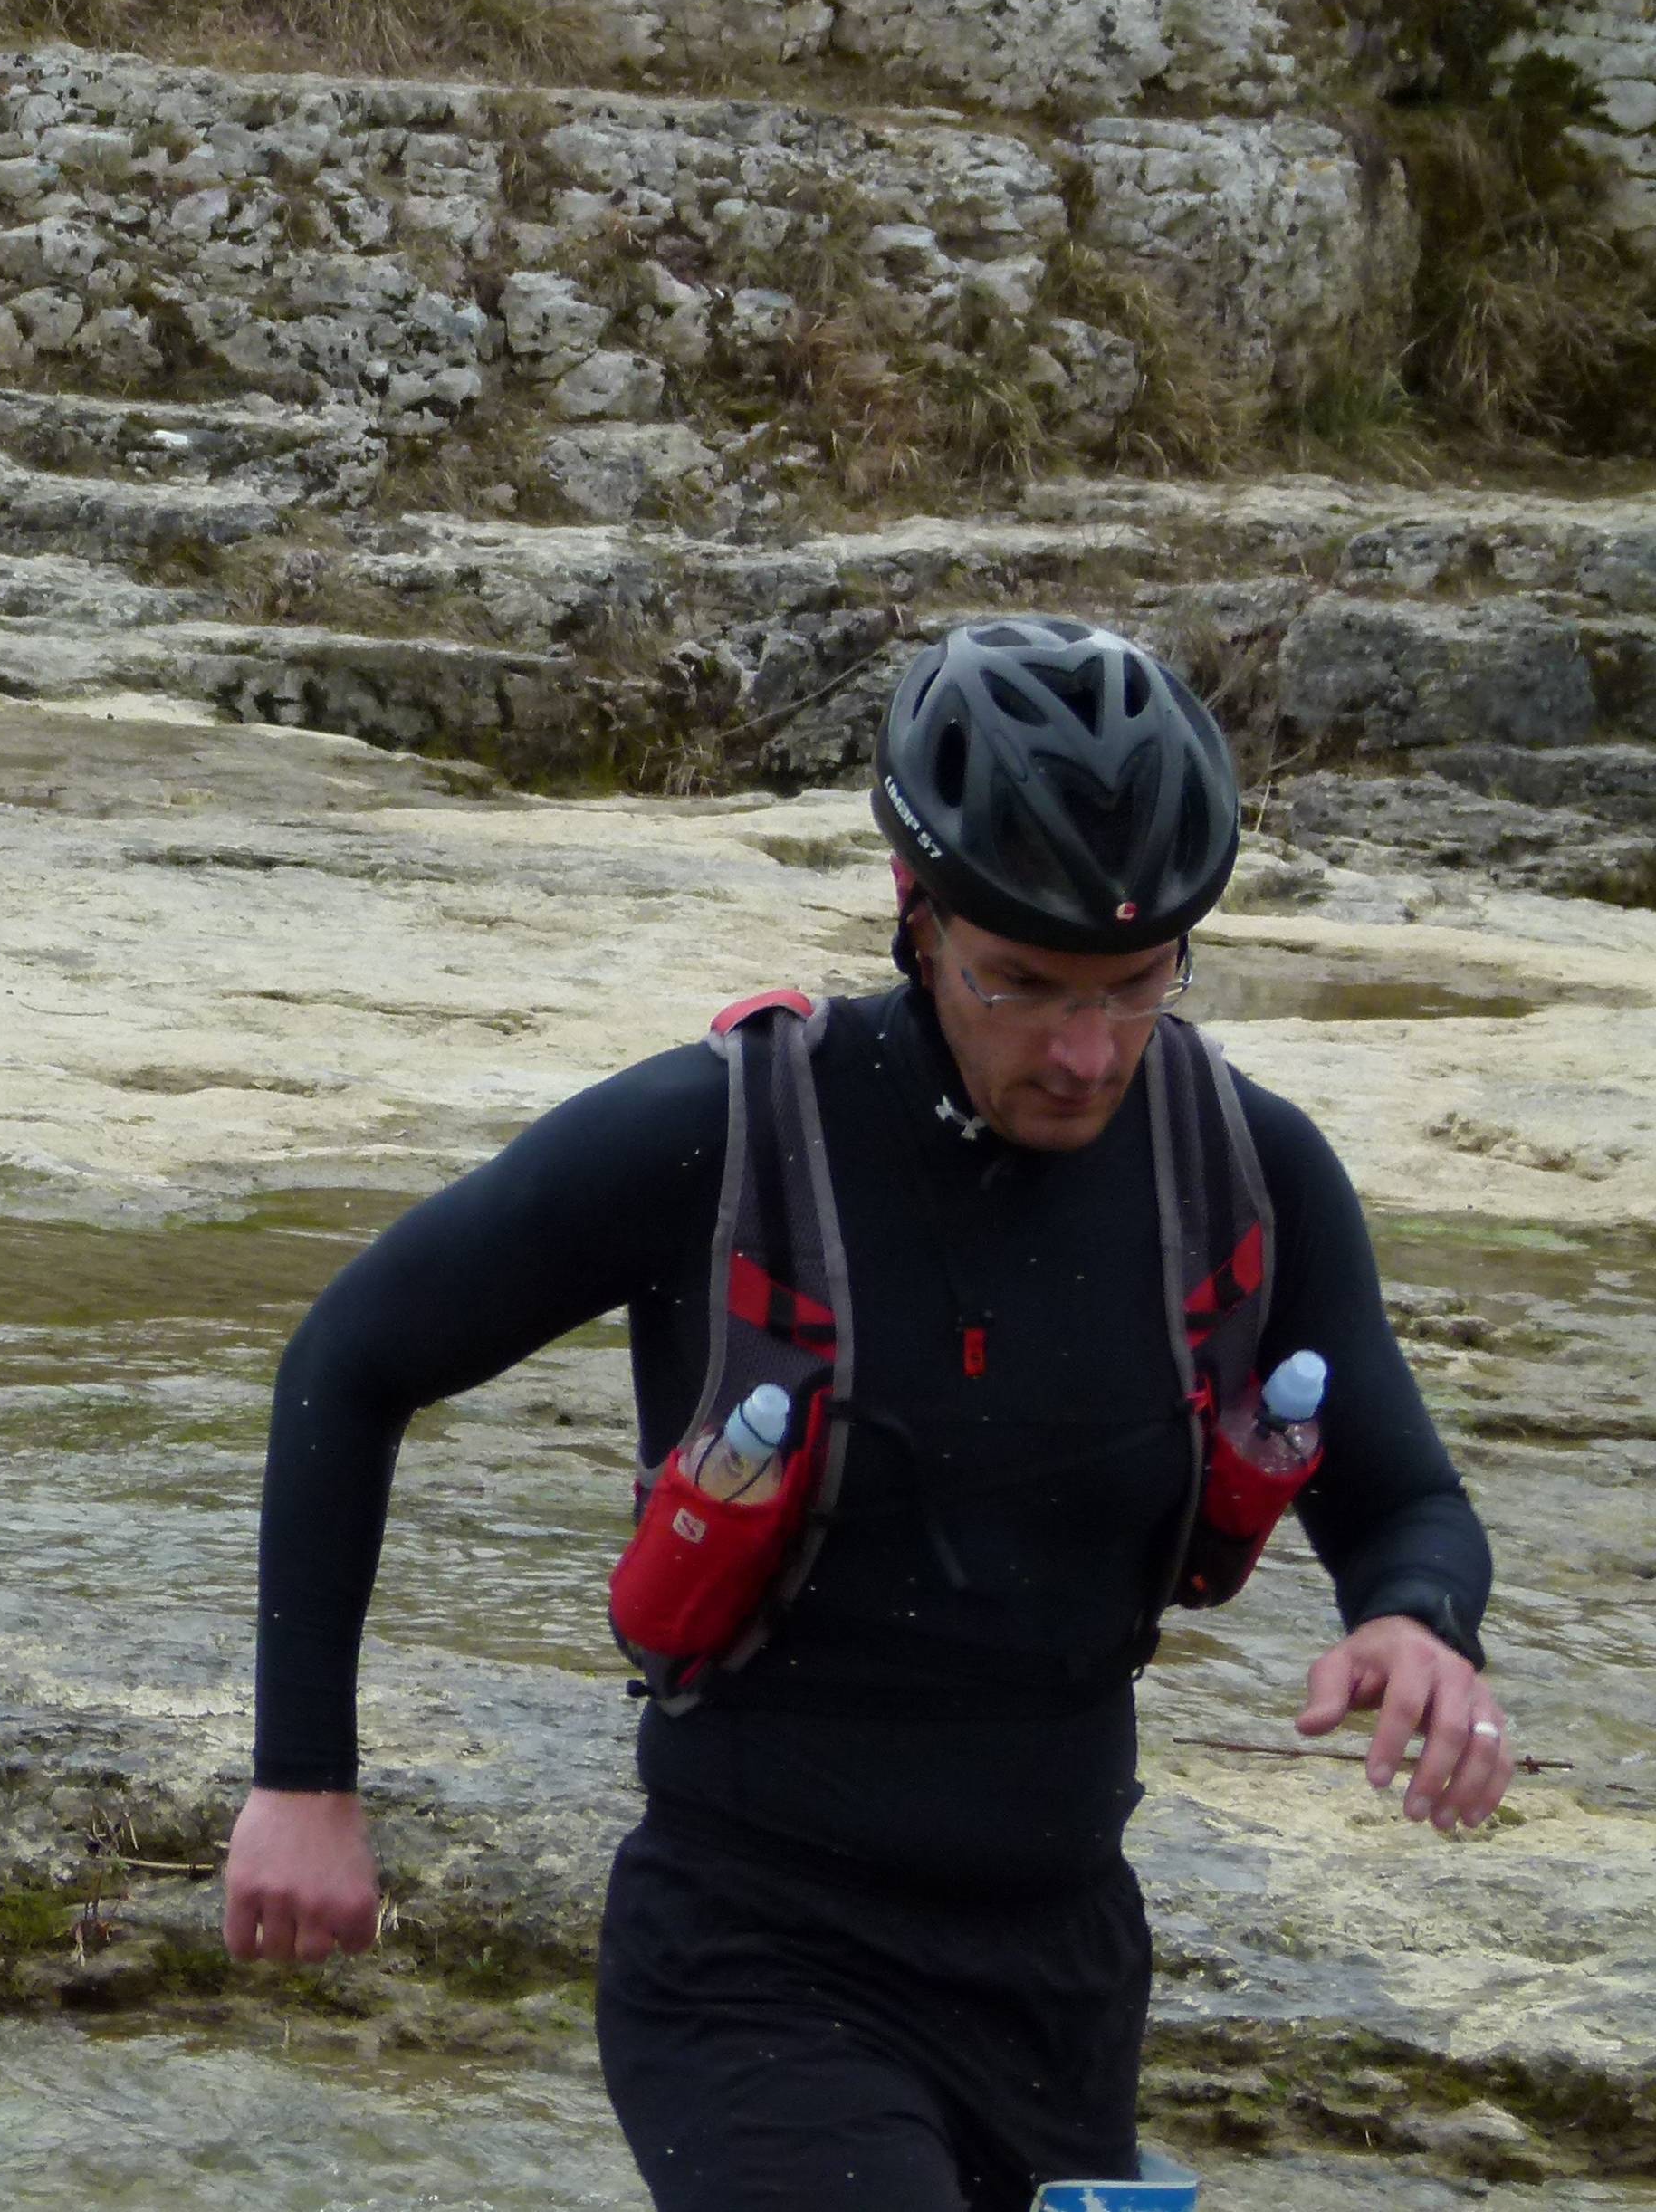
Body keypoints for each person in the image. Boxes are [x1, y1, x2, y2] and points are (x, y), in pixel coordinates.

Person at [224, 618, 1508, 2212]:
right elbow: (349, 1360)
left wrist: (1420, 1623)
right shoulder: (729, 1134)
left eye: (1137, 985)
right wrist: (305, 1781)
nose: (1086, 1052)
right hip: (755, 1959)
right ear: (916, 910)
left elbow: (1404, 1504)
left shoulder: (1243, 1168)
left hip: (1063, 1985)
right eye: (1022, 983)